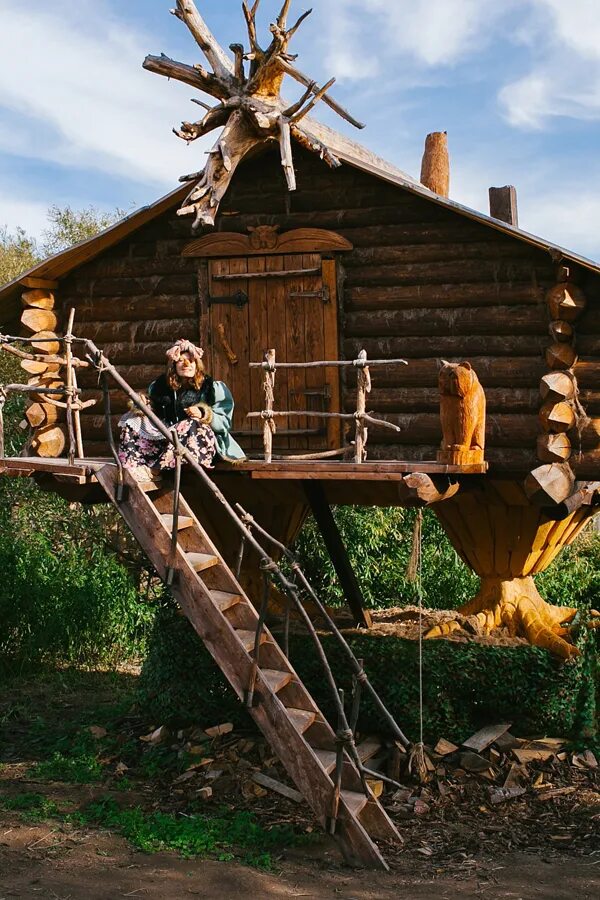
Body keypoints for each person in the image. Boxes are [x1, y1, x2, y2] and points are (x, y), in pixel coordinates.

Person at [118, 338, 245, 481]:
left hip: (198, 443)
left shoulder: (211, 387)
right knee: (132, 418)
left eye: (191, 361)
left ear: (197, 365)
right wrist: (143, 405)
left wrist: (204, 413)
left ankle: (154, 471)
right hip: (167, 440)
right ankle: (132, 466)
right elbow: (154, 412)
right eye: (181, 361)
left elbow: (225, 421)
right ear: (173, 365)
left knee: (192, 423)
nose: (186, 364)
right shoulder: (160, 386)